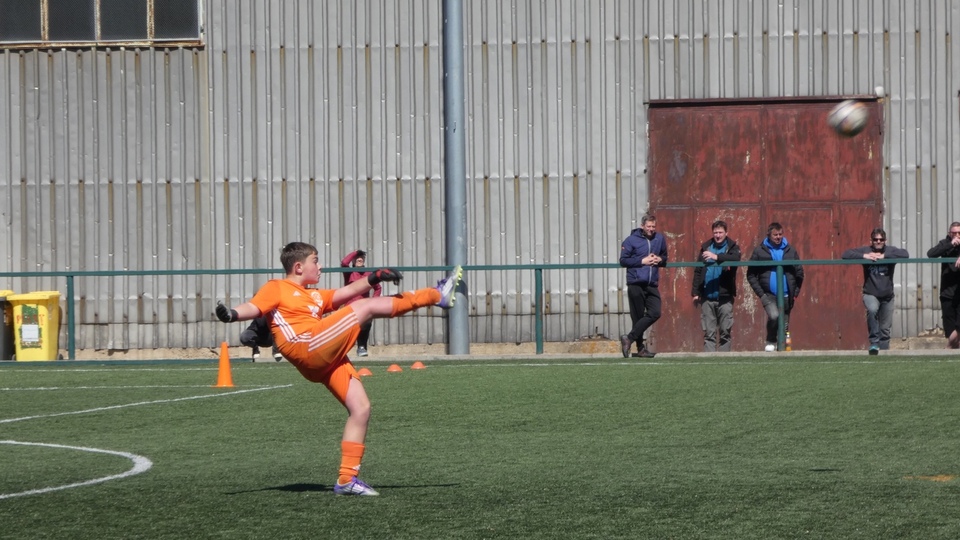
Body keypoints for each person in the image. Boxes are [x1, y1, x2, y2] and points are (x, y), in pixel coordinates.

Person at [215, 241, 462, 496]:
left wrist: (375, 276)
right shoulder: (276, 287)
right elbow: (254, 307)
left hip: (321, 359)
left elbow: (348, 291)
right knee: (364, 307)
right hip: (306, 345)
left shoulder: (314, 295)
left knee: (361, 408)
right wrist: (231, 314)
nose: (320, 266)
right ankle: (436, 295)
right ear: (298, 267)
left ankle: (347, 479)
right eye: (315, 261)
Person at [842, 228, 909, 355]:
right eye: (875, 239)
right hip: (870, 293)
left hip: (887, 296)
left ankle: (883, 352)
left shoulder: (890, 250)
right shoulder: (866, 250)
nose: (878, 242)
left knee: (885, 328)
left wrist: (884, 256)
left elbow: (905, 254)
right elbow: (845, 254)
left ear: (885, 241)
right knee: (872, 310)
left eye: (881, 239)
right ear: (871, 240)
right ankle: (874, 342)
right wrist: (865, 256)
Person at [747, 222, 804, 352]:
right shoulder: (759, 251)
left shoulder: (790, 250)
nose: (778, 237)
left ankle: (783, 348)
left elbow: (800, 272)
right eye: (775, 235)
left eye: (780, 234)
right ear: (769, 235)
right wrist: (761, 294)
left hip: (787, 295)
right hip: (768, 294)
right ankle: (771, 340)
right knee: (773, 316)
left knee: (784, 323)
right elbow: (750, 275)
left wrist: (795, 292)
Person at [619, 214, 668, 358]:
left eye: (653, 227)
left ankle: (629, 338)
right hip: (635, 283)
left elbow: (665, 257)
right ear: (642, 226)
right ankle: (640, 349)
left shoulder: (659, 239)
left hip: (651, 283)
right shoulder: (631, 240)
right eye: (648, 226)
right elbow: (623, 260)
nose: (651, 229)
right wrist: (642, 261)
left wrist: (659, 259)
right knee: (637, 317)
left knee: (655, 312)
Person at [691, 220, 742, 352]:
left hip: (725, 296)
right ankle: (709, 360)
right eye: (715, 233)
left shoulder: (732, 247)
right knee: (709, 334)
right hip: (707, 296)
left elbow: (736, 258)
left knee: (725, 332)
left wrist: (716, 257)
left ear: (726, 233)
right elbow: (698, 271)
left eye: (720, 232)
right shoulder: (706, 247)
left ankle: (724, 360)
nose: (718, 235)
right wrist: (696, 292)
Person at [340, 249, 381, 357]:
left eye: (361, 258)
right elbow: (344, 263)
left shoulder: (369, 274)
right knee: (347, 328)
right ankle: (341, 350)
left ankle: (362, 347)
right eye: (357, 258)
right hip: (350, 306)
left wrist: (373, 301)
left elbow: (378, 288)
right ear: (353, 260)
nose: (359, 259)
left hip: (363, 305)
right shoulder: (349, 273)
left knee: (366, 323)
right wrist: (355, 252)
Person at [926, 222, 960, 348]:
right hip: (947, 292)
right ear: (949, 233)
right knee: (950, 328)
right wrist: (950, 244)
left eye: (959, 233)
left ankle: (948, 348)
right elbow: (931, 254)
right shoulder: (945, 243)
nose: (957, 235)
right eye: (954, 233)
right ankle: (953, 351)